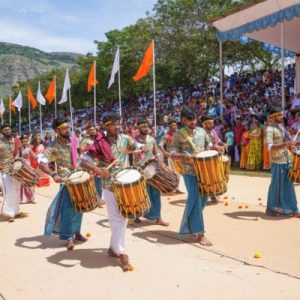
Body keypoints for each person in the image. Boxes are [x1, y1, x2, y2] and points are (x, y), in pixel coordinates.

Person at [83, 113, 142, 271]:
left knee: (123, 216)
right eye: (113, 124)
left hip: (125, 182)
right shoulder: (98, 143)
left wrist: (137, 149)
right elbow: (83, 161)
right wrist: (97, 169)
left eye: (118, 123)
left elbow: (138, 147)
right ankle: (121, 252)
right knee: (117, 218)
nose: (117, 126)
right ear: (106, 126)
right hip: (109, 184)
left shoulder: (125, 138)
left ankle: (113, 248)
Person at [38, 117, 109, 250]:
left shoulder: (74, 141)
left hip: (80, 178)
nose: (67, 130)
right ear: (56, 130)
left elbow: (81, 159)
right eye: (64, 128)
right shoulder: (52, 147)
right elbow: (41, 162)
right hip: (66, 181)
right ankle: (68, 236)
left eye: (67, 127)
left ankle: (76, 232)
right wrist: (53, 174)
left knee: (79, 208)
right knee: (68, 209)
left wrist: (94, 168)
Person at [171, 107, 223, 246]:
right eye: (190, 119)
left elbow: (208, 143)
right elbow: (173, 153)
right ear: (184, 120)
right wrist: (183, 155)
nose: (194, 122)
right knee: (195, 199)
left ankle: (190, 227)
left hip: (205, 170)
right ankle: (200, 234)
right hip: (189, 171)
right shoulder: (178, 135)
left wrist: (215, 147)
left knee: (203, 198)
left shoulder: (201, 130)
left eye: (195, 119)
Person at [133, 117, 169, 226]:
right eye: (143, 127)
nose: (145, 128)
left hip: (152, 170)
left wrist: (161, 163)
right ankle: (135, 216)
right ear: (138, 128)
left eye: (147, 126)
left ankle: (158, 218)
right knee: (141, 194)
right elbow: (131, 154)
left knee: (155, 193)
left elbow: (155, 152)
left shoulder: (152, 139)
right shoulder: (133, 140)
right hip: (139, 170)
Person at [266, 108, 300, 217]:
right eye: (279, 116)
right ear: (272, 117)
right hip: (277, 161)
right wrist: (286, 144)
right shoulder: (270, 129)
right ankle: (271, 208)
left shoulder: (281, 127)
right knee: (277, 185)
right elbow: (270, 146)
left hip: (286, 159)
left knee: (288, 185)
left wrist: (294, 144)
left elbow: (289, 141)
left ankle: (292, 209)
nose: (281, 117)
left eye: (281, 115)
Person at [0, 124, 22, 222]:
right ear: (2, 132)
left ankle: (16, 210)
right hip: (4, 170)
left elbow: (20, 153)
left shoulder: (17, 141)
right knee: (8, 192)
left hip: (16, 170)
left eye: (9, 129)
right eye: (5, 130)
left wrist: (19, 163)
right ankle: (10, 213)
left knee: (16, 190)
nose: (7, 131)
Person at [159, 119, 186, 194]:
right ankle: (172, 189)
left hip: (179, 155)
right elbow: (160, 144)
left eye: (175, 125)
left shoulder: (178, 135)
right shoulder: (166, 135)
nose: (175, 127)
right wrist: (164, 152)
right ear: (169, 127)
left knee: (178, 173)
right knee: (173, 173)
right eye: (173, 125)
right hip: (171, 156)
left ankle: (177, 189)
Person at [19, 135, 36, 204]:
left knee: (30, 181)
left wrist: (39, 157)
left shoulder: (28, 148)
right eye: (24, 141)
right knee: (23, 182)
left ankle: (31, 198)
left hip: (28, 165)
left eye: (26, 141)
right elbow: (17, 157)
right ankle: (23, 199)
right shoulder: (19, 148)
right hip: (21, 166)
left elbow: (34, 156)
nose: (25, 142)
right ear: (21, 141)